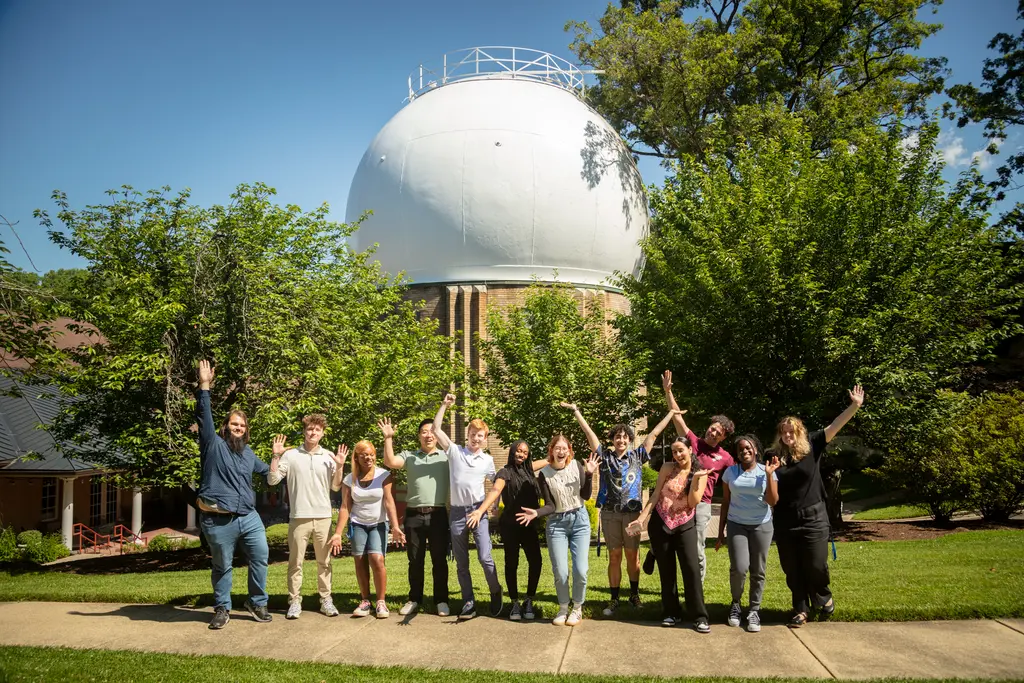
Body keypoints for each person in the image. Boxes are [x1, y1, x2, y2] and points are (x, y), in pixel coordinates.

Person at [562, 401, 681, 617]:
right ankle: (614, 598)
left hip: (633, 514)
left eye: (625, 436)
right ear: (613, 439)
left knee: (632, 555)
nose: (621, 440)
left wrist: (671, 414)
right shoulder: (605, 457)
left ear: (629, 439)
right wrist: (577, 411)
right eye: (617, 436)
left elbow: (653, 434)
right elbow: (589, 434)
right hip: (609, 514)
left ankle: (634, 595)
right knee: (615, 555)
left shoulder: (637, 456)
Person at [769, 385, 865, 628]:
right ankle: (800, 609)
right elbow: (770, 492)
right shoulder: (773, 455)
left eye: (791, 432)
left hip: (813, 516)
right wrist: (770, 473)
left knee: (815, 564)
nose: (788, 436)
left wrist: (854, 406)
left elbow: (836, 425)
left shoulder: (813, 444)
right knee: (792, 568)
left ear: (799, 432)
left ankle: (823, 594)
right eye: (784, 432)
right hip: (784, 519)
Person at [194, 359, 273, 630]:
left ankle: (257, 601)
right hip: (218, 520)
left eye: (242, 426)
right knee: (223, 566)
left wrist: (281, 458)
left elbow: (269, 473)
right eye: (234, 425)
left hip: (249, 517)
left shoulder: (248, 454)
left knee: (261, 556)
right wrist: (205, 385)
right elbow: (203, 416)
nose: (238, 428)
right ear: (225, 427)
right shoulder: (212, 445)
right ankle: (222, 608)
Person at [627, 437, 711, 631]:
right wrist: (641, 518)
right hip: (661, 523)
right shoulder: (666, 468)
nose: (678, 455)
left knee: (691, 570)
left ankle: (699, 616)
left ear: (690, 449)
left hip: (685, 525)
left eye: (681, 450)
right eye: (674, 451)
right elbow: (656, 494)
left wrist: (696, 479)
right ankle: (672, 612)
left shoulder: (700, 472)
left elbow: (692, 502)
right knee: (667, 572)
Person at [268, 415, 347, 620]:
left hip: (323, 517)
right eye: (310, 429)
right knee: (296, 562)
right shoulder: (291, 455)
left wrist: (339, 466)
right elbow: (272, 479)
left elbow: (336, 486)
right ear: (304, 431)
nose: (313, 433)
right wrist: (276, 456)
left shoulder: (329, 456)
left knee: (325, 562)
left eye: (317, 430)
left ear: (322, 433)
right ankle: (294, 601)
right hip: (299, 517)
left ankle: (326, 600)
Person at [433, 393, 503, 620]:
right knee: (461, 562)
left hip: (478, 511)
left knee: (485, 557)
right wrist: (444, 405)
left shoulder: (487, 460)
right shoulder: (455, 452)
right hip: (457, 513)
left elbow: (497, 484)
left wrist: (495, 507)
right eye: (472, 434)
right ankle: (468, 601)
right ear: (468, 435)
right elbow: (436, 429)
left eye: (479, 435)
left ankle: (495, 591)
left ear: (485, 438)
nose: (475, 438)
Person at [662, 370, 735, 582]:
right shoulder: (693, 442)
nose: (712, 433)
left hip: (702, 505)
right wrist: (668, 392)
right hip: (678, 500)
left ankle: (697, 588)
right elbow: (677, 416)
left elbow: (734, 481)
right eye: (712, 429)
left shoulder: (725, 458)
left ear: (723, 437)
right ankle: (654, 554)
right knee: (669, 541)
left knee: (697, 547)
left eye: (718, 433)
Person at [517, 436, 598, 626]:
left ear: (569, 451)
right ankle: (563, 608)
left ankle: (577, 608)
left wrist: (589, 474)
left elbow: (585, 496)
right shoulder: (544, 474)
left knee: (581, 569)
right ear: (551, 451)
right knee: (561, 571)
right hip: (556, 524)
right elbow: (551, 505)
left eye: (565, 448)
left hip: (580, 520)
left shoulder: (577, 466)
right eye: (557, 448)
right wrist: (536, 513)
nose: (561, 452)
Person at [379, 417, 451, 617]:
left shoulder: (447, 457)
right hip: (413, 514)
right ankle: (414, 599)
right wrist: (388, 438)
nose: (428, 435)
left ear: (437, 436)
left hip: (438, 514)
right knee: (415, 560)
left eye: (432, 432)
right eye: (424, 432)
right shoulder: (410, 456)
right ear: (419, 435)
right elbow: (390, 462)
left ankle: (441, 600)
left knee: (439, 560)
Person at [466, 440, 543, 621]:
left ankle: (529, 599)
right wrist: (481, 510)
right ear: (512, 451)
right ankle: (515, 602)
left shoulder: (529, 470)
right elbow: (495, 489)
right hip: (510, 526)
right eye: (518, 451)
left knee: (536, 561)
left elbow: (545, 461)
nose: (521, 454)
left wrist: (556, 457)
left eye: (525, 452)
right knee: (511, 563)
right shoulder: (504, 472)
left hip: (529, 524)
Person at [330, 440, 406, 618]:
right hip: (358, 524)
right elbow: (345, 507)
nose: (368, 458)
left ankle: (381, 602)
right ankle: (365, 601)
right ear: (356, 457)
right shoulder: (350, 479)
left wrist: (395, 526)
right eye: (364, 455)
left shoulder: (383, 475)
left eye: (371, 454)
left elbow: (389, 501)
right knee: (360, 560)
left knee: (377, 559)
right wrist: (337, 533)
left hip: (378, 524)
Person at [715, 434, 778, 633]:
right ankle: (736, 604)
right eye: (741, 449)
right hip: (736, 524)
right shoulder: (730, 473)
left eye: (749, 448)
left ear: (756, 450)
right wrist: (720, 532)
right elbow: (725, 502)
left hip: (762, 525)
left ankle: (754, 610)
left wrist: (769, 475)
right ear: (737, 453)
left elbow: (773, 501)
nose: (745, 451)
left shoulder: (766, 471)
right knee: (740, 568)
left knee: (758, 570)